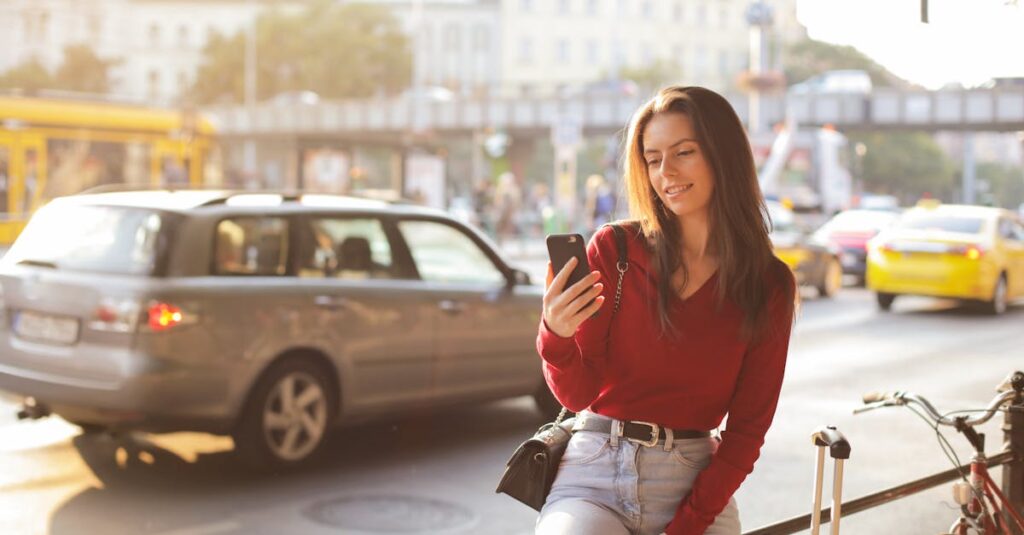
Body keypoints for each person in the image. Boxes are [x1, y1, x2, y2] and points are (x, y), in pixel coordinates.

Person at [535, 86, 797, 535]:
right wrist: (554, 335)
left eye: (684, 152)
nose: (665, 172)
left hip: (695, 479)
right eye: (653, 159)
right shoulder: (616, 249)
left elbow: (747, 432)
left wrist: (688, 525)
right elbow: (577, 396)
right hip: (595, 471)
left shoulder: (768, 283)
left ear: (723, 155)